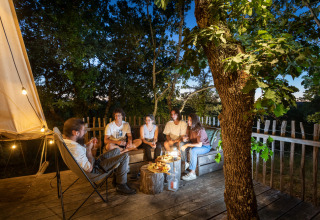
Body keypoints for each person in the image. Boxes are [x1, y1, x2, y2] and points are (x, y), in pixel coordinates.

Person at [63, 118, 136, 194]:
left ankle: (117, 179)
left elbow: (81, 151)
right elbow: (89, 169)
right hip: (95, 170)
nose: (84, 132)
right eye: (83, 130)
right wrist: (88, 150)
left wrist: (88, 145)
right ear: (75, 133)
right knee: (124, 157)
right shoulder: (75, 148)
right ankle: (121, 185)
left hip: (95, 163)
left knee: (116, 151)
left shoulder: (69, 143)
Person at [180, 113, 211, 181]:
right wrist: (186, 139)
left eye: (190, 120)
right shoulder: (190, 128)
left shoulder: (200, 129)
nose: (188, 122)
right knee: (182, 144)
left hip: (205, 147)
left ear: (194, 121)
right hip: (195, 144)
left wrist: (187, 145)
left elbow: (199, 144)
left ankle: (192, 173)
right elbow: (189, 138)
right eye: (188, 120)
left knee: (193, 150)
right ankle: (184, 163)